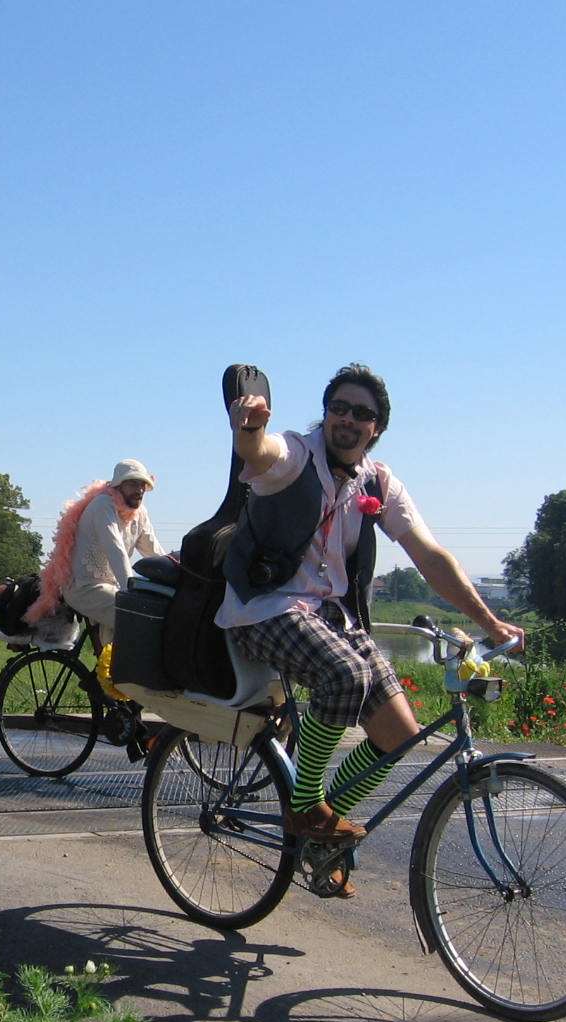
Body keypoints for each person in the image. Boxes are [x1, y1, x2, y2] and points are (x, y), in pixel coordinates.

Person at [221, 363, 524, 892]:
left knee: (401, 736)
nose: (347, 419)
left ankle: (320, 834)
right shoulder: (296, 454)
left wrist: (490, 622)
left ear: (376, 427)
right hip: (264, 609)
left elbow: (429, 556)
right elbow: (260, 452)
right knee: (345, 675)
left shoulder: (379, 482)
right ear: (325, 414)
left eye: (361, 414)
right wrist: (249, 429)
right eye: (338, 408)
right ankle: (305, 807)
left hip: (332, 617)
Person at [27, 458, 164, 647]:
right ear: (118, 486)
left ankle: (114, 662)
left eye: (142, 485)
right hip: (84, 587)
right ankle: (124, 666)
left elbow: (155, 553)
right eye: (133, 484)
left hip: (112, 587)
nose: (139, 490)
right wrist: (130, 592)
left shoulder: (140, 513)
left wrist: (177, 576)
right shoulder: (103, 505)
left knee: (152, 611)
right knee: (139, 614)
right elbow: (115, 550)